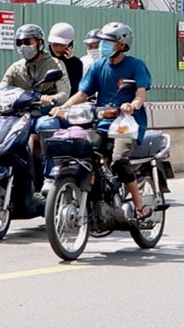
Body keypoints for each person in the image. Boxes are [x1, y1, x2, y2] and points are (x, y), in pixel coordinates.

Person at [49, 22, 153, 219]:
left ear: (122, 44)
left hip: (125, 125)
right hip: (102, 123)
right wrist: (63, 108)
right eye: (103, 41)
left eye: (109, 42)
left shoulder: (135, 65)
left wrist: (132, 105)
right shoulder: (98, 66)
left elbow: (140, 94)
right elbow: (82, 93)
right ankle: (98, 195)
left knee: (118, 161)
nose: (103, 45)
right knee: (83, 151)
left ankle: (139, 205)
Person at [0, 24, 70, 192]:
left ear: (39, 43)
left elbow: (65, 92)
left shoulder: (55, 65)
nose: (24, 46)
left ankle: (49, 176)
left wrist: (51, 98)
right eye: (20, 42)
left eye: (27, 41)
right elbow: (1, 89)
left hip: (44, 113)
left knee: (46, 126)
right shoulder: (16, 67)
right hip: (19, 116)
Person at [47, 22, 83, 97]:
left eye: (62, 44)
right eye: (55, 44)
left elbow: (75, 89)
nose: (58, 48)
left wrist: (70, 62)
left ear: (70, 44)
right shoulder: (44, 60)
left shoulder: (76, 63)